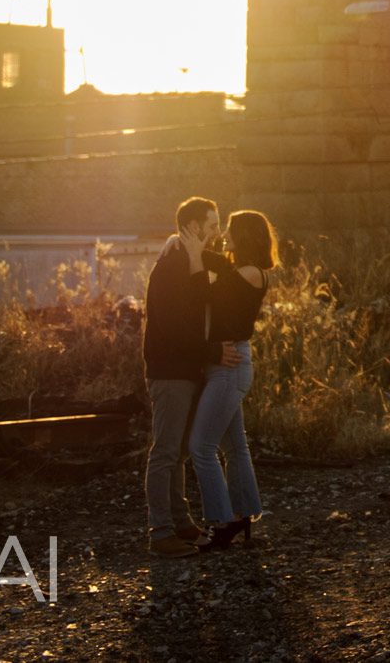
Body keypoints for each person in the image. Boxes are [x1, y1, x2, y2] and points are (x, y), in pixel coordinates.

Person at [141, 195, 233, 557]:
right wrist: (212, 353)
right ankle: (160, 533)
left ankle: (180, 522)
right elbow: (174, 328)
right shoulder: (169, 268)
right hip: (170, 372)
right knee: (165, 452)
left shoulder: (186, 260)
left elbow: (222, 267)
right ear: (194, 227)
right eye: (211, 226)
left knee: (178, 452)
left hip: (184, 370)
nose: (216, 233)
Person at [189, 208, 275, 550]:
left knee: (201, 447)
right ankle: (243, 514)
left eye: (230, 231)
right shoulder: (242, 270)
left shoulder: (252, 273)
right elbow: (221, 266)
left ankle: (222, 522)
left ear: (245, 236)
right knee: (234, 446)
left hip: (230, 363)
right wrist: (186, 246)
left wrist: (196, 259)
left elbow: (202, 297)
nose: (225, 235)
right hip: (227, 363)